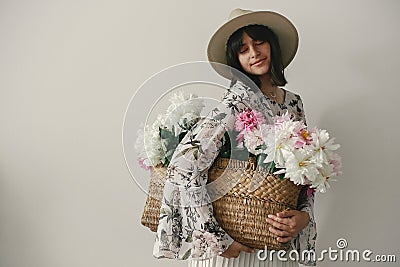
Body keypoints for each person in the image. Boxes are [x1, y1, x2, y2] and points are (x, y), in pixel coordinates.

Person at [153, 8, 317, 266]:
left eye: (259, 41)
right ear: (235, 60)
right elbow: (184, 164)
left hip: (275, 245)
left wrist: (304, 217)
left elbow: (306, 175)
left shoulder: (295, 103)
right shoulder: (238, 101)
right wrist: (215, 238)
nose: (254, 53)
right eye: (243, 49)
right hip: (235, 251)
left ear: (272, 44)